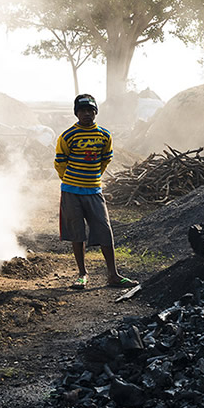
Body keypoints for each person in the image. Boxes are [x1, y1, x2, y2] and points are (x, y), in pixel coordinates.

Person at [54, 94, 136, 289]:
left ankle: (113, 275)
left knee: (104, 230)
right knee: (77, 233)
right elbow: (60, 163)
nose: (87, 114)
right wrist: (71, 180)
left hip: (94, 191)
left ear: (95, 112)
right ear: (76, 113)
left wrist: (92, 178)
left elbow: (105, 159)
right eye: (82, 110)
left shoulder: (104, 135)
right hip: (71, 191)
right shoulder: (67, 136)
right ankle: (82, 274)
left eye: (90, 110)